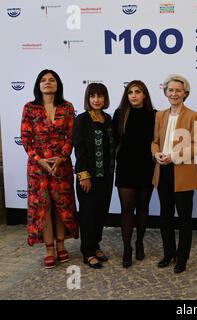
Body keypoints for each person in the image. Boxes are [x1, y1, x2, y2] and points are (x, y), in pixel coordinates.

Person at [20, 69, 78, 269]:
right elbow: (26, 139)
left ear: (57, 84)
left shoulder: (67, 107)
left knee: (61, 206)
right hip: (38, 168)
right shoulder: (30, 108)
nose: (47, 83)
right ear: (38, 85)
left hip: (61, 166)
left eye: (51, 80)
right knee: (43, 208)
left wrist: (61, 158)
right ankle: (49, 249)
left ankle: (61, 246)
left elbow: (71, 137)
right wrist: (40, 160)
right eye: (43, 80)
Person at [151, 75, 197, 274]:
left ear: (185, 93)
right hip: (162, 171)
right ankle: (168, 254)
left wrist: (173, 156)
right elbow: (154, 141)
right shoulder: (159, 116)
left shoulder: (194, 116)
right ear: (165, 93)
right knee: (165, 217)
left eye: (178, 90)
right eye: (170, 90)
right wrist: (156, 154)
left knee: (184, 219)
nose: (174, 94)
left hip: (182, 173)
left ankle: (182, 258)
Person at [113, 80, 156, 268]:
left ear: (144, 95)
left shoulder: (154, 115)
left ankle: (139, 242)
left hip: (147, 168)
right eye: (130, 92)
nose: (133, 95)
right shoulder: (119, 114)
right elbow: (113, 141)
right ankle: (126, 248)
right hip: (125, 168)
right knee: (127, 208)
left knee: (143, 207)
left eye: (138, 92)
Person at [73, 83, 115, 269]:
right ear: (88, 99)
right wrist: (83, 175)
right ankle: (87, 251)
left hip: (106, 176)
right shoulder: (81, 120)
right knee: (88, 214)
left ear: (105, 98)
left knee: (101, 213)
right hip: (88, 176)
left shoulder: (108, 119)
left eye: (100, 96)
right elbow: (79, 150)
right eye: (93, 96)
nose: (96, 100)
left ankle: (96, 245)